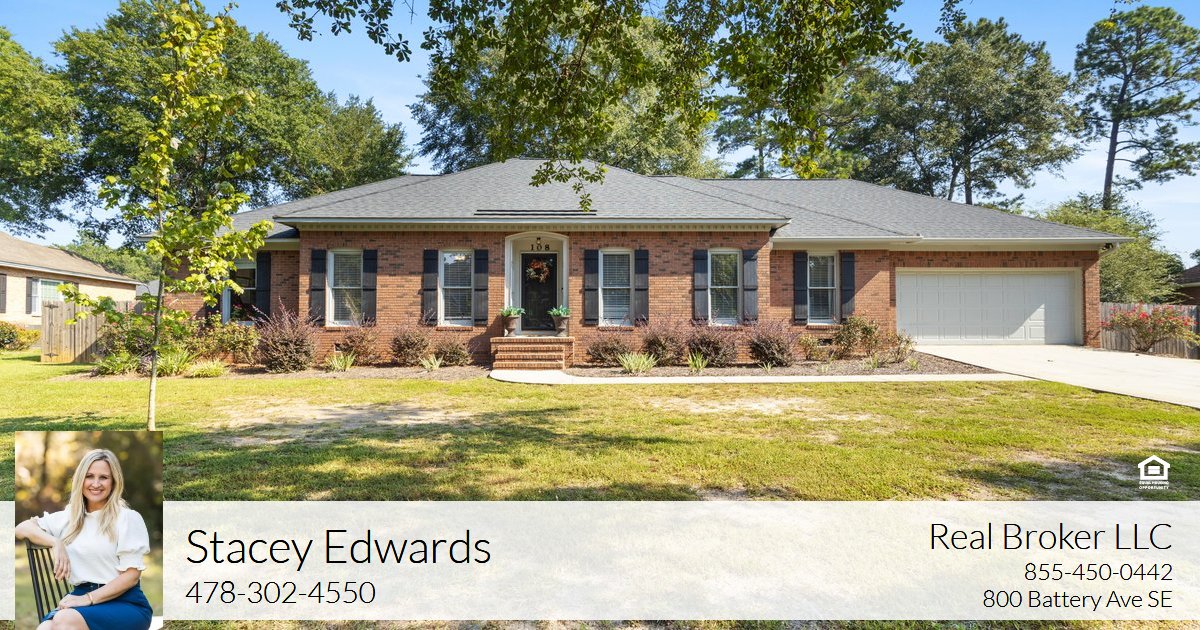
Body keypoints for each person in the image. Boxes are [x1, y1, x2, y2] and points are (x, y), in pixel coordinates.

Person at [15, 449, 152, 630]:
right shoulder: (68, 518)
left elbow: (131, 577)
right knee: (45, 628)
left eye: (104, 477)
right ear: (80, 479)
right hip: (79, 598)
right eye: (89, 476)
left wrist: (87, 599)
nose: (96, 483)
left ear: (114, 482)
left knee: (65, 619)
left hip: (125, 603)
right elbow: (21, 528)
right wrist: (56, 542)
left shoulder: (127, 518)